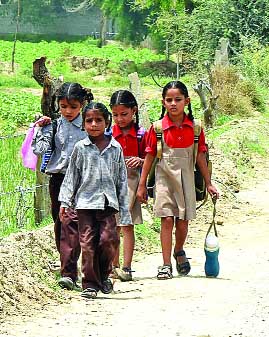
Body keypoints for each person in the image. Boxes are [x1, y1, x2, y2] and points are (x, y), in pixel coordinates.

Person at [136, 80, 219, 280]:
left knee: (182, 222)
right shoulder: (157, 129)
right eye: (169, 100)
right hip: (164, 181)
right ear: (163, 103)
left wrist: (209, 183)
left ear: (187, 101)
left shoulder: (196, 128)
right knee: (166, 220)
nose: (173, 104)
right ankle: (165, 264)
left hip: (187, 180)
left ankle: (179, 250)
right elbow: (149, 157)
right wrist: (141, 185)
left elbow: (200, 157)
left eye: (178, 99)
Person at [59, 102, 131, 299]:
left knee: (109, 241)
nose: (93, 124)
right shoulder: (81, 148)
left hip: (108, 204)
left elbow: (122, 180)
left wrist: (124, 211)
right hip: (85, 205)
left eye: (98, 120)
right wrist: (65, 202)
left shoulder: (115, 148)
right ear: (83, 124)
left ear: (107, 122)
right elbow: (72, 176)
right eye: (89, 120)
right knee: (87, 245)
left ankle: (104, 274)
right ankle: (90, 284)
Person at [32, 82, 93, 290]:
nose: (68, 111)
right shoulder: (54, 125)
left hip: (82, 180)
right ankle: (66, 265)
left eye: (73, 107)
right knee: (59, 222)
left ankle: (70, 272)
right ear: (58, 104)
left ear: (82, 105)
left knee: (74, 224)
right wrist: (40, 128)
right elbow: (39, 149)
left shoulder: (90, 125)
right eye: (64, 106)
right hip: (58, 180)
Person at [109, 90, 145, 282]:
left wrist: (140, 160)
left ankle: (127, 266)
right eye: (115, 115)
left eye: (124, 114)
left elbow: (150, 159)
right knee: (113, 225)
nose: (120, 119)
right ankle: (113, 266)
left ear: (134, 111)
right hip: (112, 183)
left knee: (127, 225)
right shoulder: (108, 134)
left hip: (132, 183)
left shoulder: (141, 135)